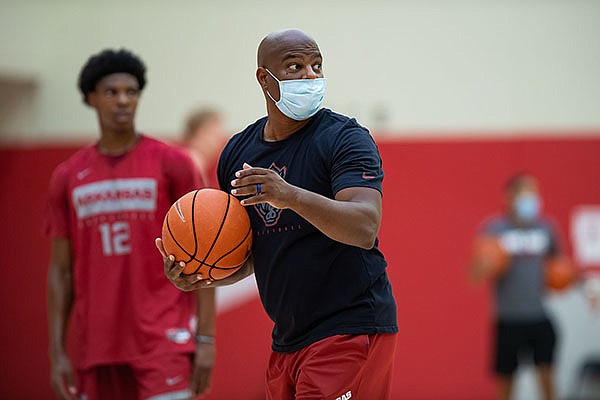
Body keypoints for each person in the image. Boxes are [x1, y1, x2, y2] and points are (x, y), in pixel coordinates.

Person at [156, 29, 398, 400]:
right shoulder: (238, 153)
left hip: (349, 326)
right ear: (264, 78)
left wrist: (290, 195)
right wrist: (202, 274)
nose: (310, 75)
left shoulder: (346, 138)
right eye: (295, 66)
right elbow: (249, 253)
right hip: (287, 338)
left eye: (316, 65)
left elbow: (364, 226)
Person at [46, 49, 215, 400]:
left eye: (132, 91)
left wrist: (206, 338)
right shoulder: (68, 176)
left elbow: (207, 254)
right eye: (112, 92)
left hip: (164, 340)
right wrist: (57, 351)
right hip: (97, 346)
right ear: (90, 98)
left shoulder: (173, 163)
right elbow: (60, 272)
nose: (123, 100)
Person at [470, 173, 562, 400]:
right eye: (526, 192)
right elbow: (474, 275)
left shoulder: (547, 228)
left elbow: (561, 267)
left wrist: (579, 283)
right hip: (508, 319)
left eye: (535, 192)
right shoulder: (494, 230)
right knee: (506, 384)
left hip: (539, 315)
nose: (532, 197)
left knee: (548, 378)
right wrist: (487, 263)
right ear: (509, 196)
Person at [181, 108, 226, 188]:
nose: (219, 141)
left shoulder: (218, 160)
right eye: (214, 135)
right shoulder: (190, 159)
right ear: (199, 133)